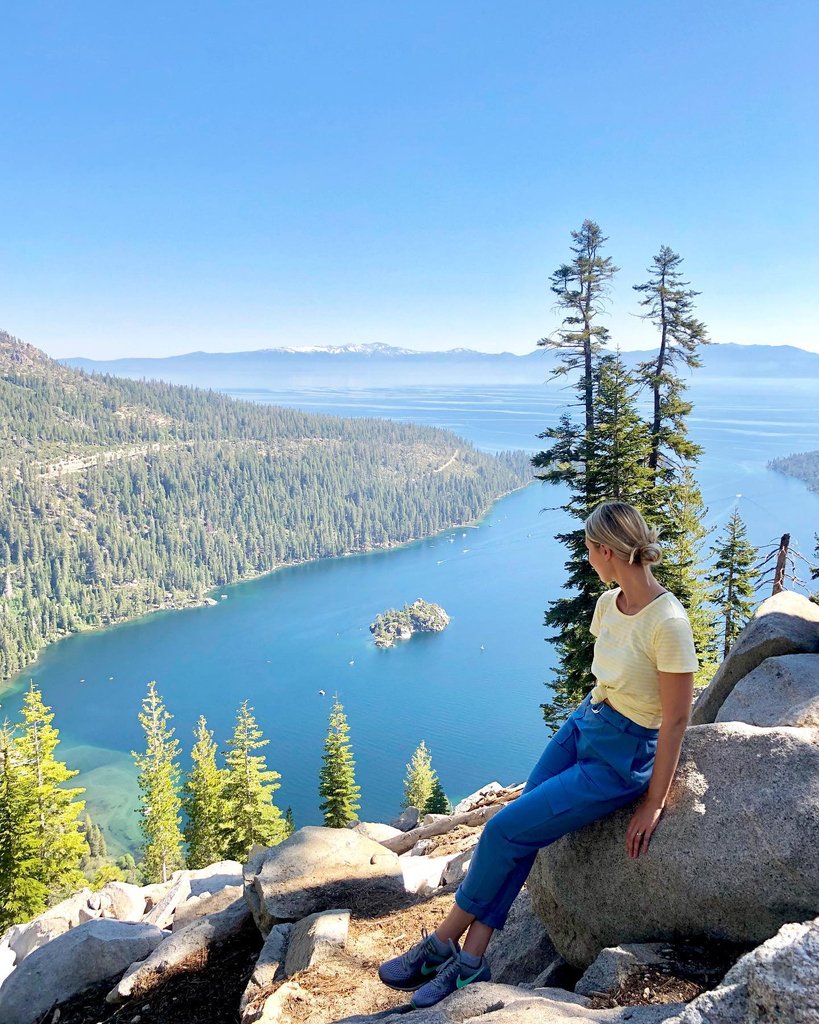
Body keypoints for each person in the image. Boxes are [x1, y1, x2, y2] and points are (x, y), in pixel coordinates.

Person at [378, 500, 698, 1009]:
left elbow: (677, 719)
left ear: (608, 551)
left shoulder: (669, 623)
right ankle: (470, 959)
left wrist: (654, 802)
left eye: (590, 549)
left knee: (505, 829)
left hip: (620, 757)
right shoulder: (608, 604)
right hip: (584, 724)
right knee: (519, 828)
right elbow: (608, 678)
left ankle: (443, 943)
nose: (587, 557)